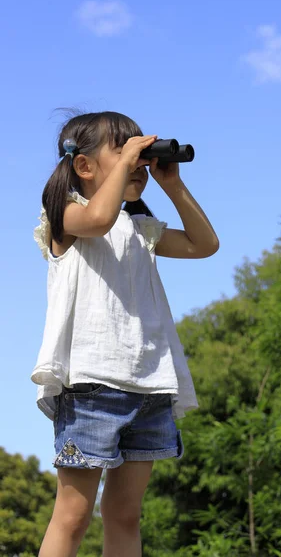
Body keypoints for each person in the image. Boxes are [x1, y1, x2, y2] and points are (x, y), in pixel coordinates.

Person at [31, 111, 219, 557]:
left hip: (150, 387)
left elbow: (205, 245)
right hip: (91, 386)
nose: (138, 162)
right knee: (73, 516)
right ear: (84, 166)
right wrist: (127, 166)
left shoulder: (141, 230)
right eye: (124, 150)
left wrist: (171, 183)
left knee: (125, 515)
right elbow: (98, 218)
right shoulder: (66, 217)